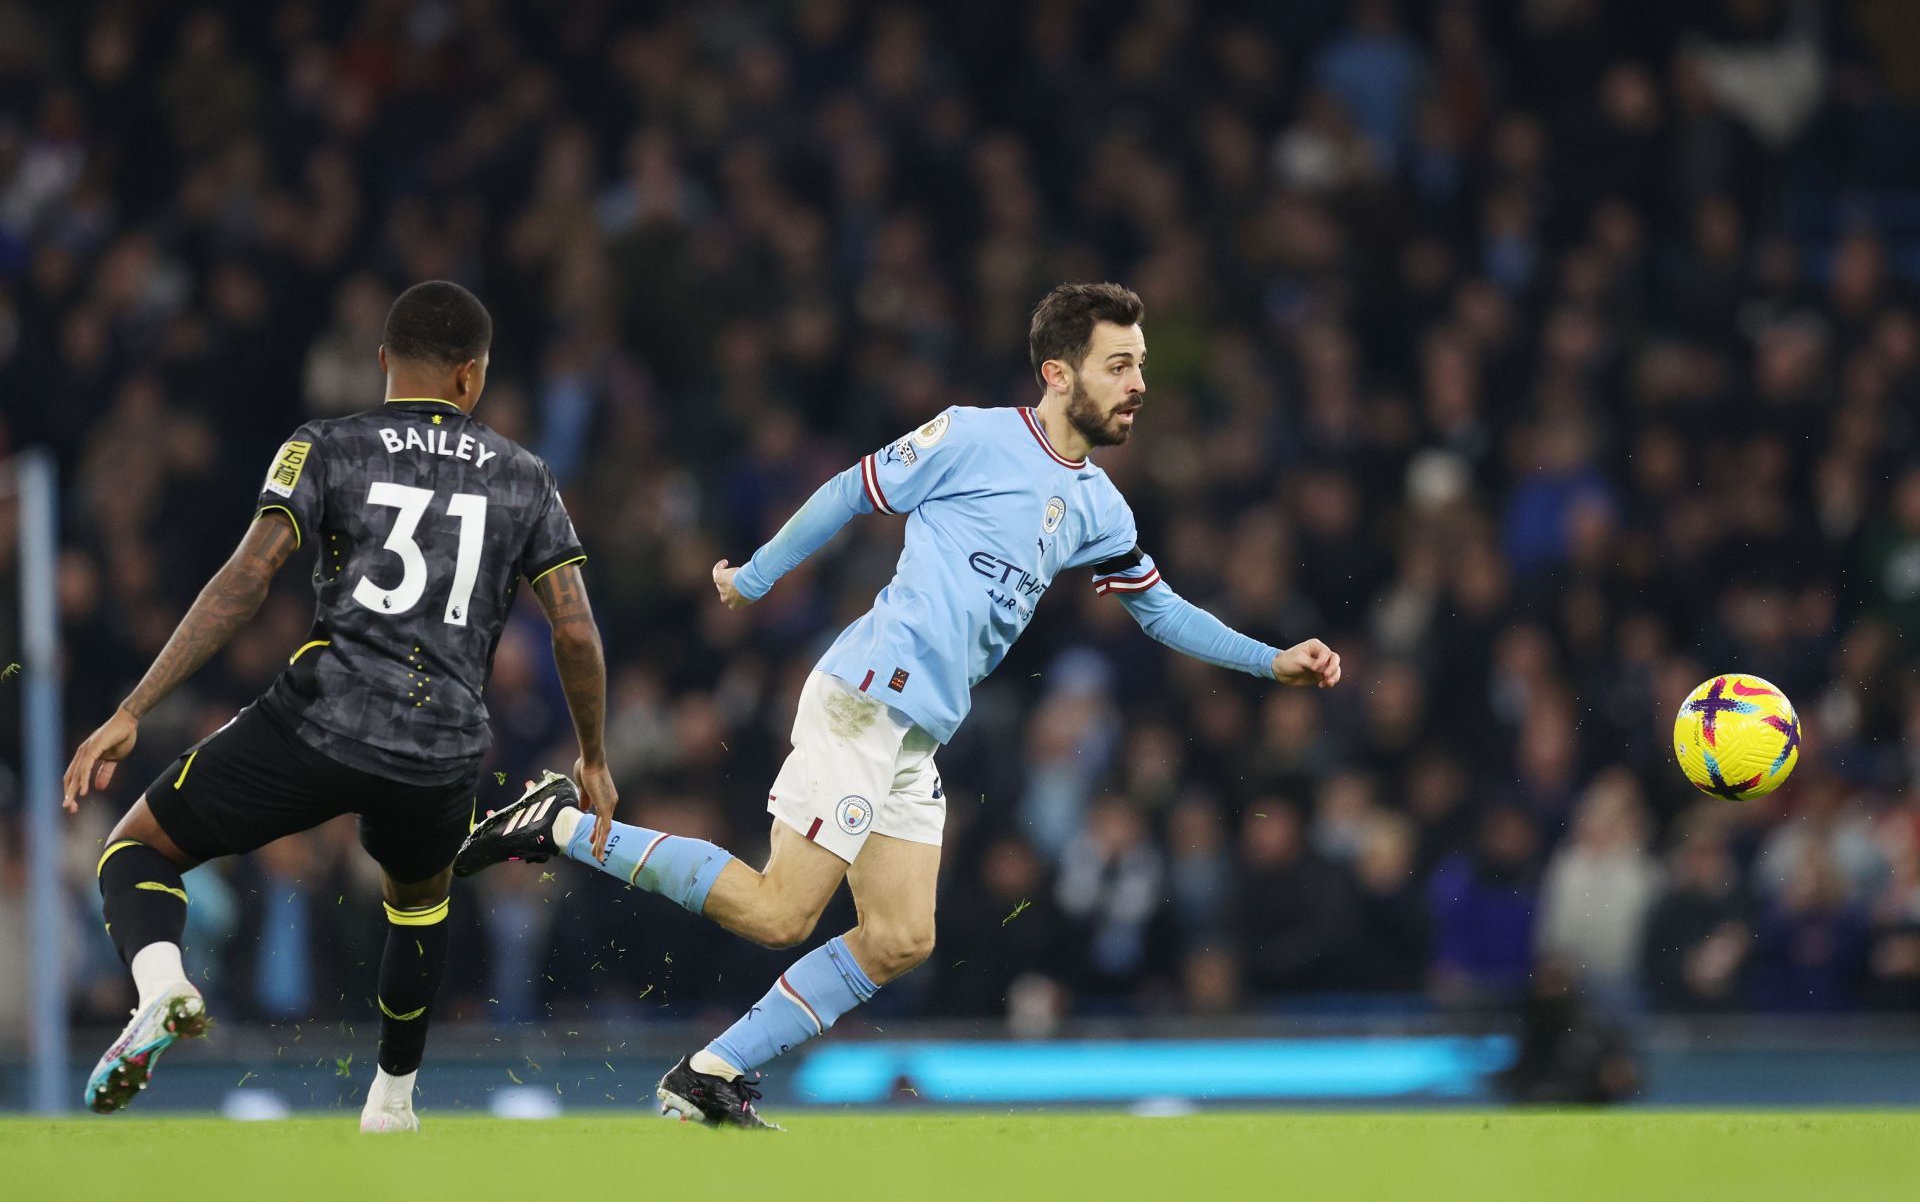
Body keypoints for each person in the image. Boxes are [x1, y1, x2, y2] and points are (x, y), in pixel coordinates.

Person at [457, 282, 1342, 1127]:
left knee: (901, 937)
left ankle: (712, 1071)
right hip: (864, 697)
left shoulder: (1098, 505)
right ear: (1058, 373)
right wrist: (756, 577)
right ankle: (561, 829)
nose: (1139, 384)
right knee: (780, 912)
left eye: (1142, 364)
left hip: (916, 735)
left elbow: (1160, 606)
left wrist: (1271, 662)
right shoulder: (969, 436)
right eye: (1120, 365)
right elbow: (852, 489)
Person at [61, 281, 612, 1131]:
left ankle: (164, 984)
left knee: (136, 848)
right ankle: (392, 1102)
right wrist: (594, 757)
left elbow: (248, 578)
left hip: (323, 717)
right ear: (471, 377)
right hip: (442, 744)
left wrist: (135, 705)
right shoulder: (527, 477)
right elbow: (574, 631)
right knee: (419, 901)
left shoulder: (326, 445)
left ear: (385, 362)